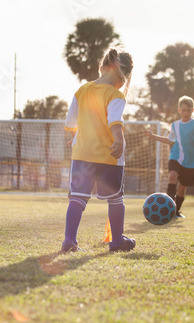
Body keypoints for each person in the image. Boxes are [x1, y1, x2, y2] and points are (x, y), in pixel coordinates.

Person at [61, 47, 135, 253]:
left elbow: (70, 123)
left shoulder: (82, 90)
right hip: (109, 156)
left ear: (103, 66)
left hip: (82, 155)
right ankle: (118, 240)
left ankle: (69, 241)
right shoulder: (115, 95)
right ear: (123, 74)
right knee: (115, 199)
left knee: (77, 197)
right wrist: (119, 140)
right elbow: (115, 120)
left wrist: (77, 138)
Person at [145, 96, 194, 218]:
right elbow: (169, 140)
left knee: (181, 187)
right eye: (183, 110)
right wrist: (153, 136)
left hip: (190, 161)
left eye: (188, 110)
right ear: (179, 110)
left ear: (192, 110)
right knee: (172, 176)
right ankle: (168, 208)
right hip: (175, 156)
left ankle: (176, 211)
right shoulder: (175, 125)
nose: (186, 113)